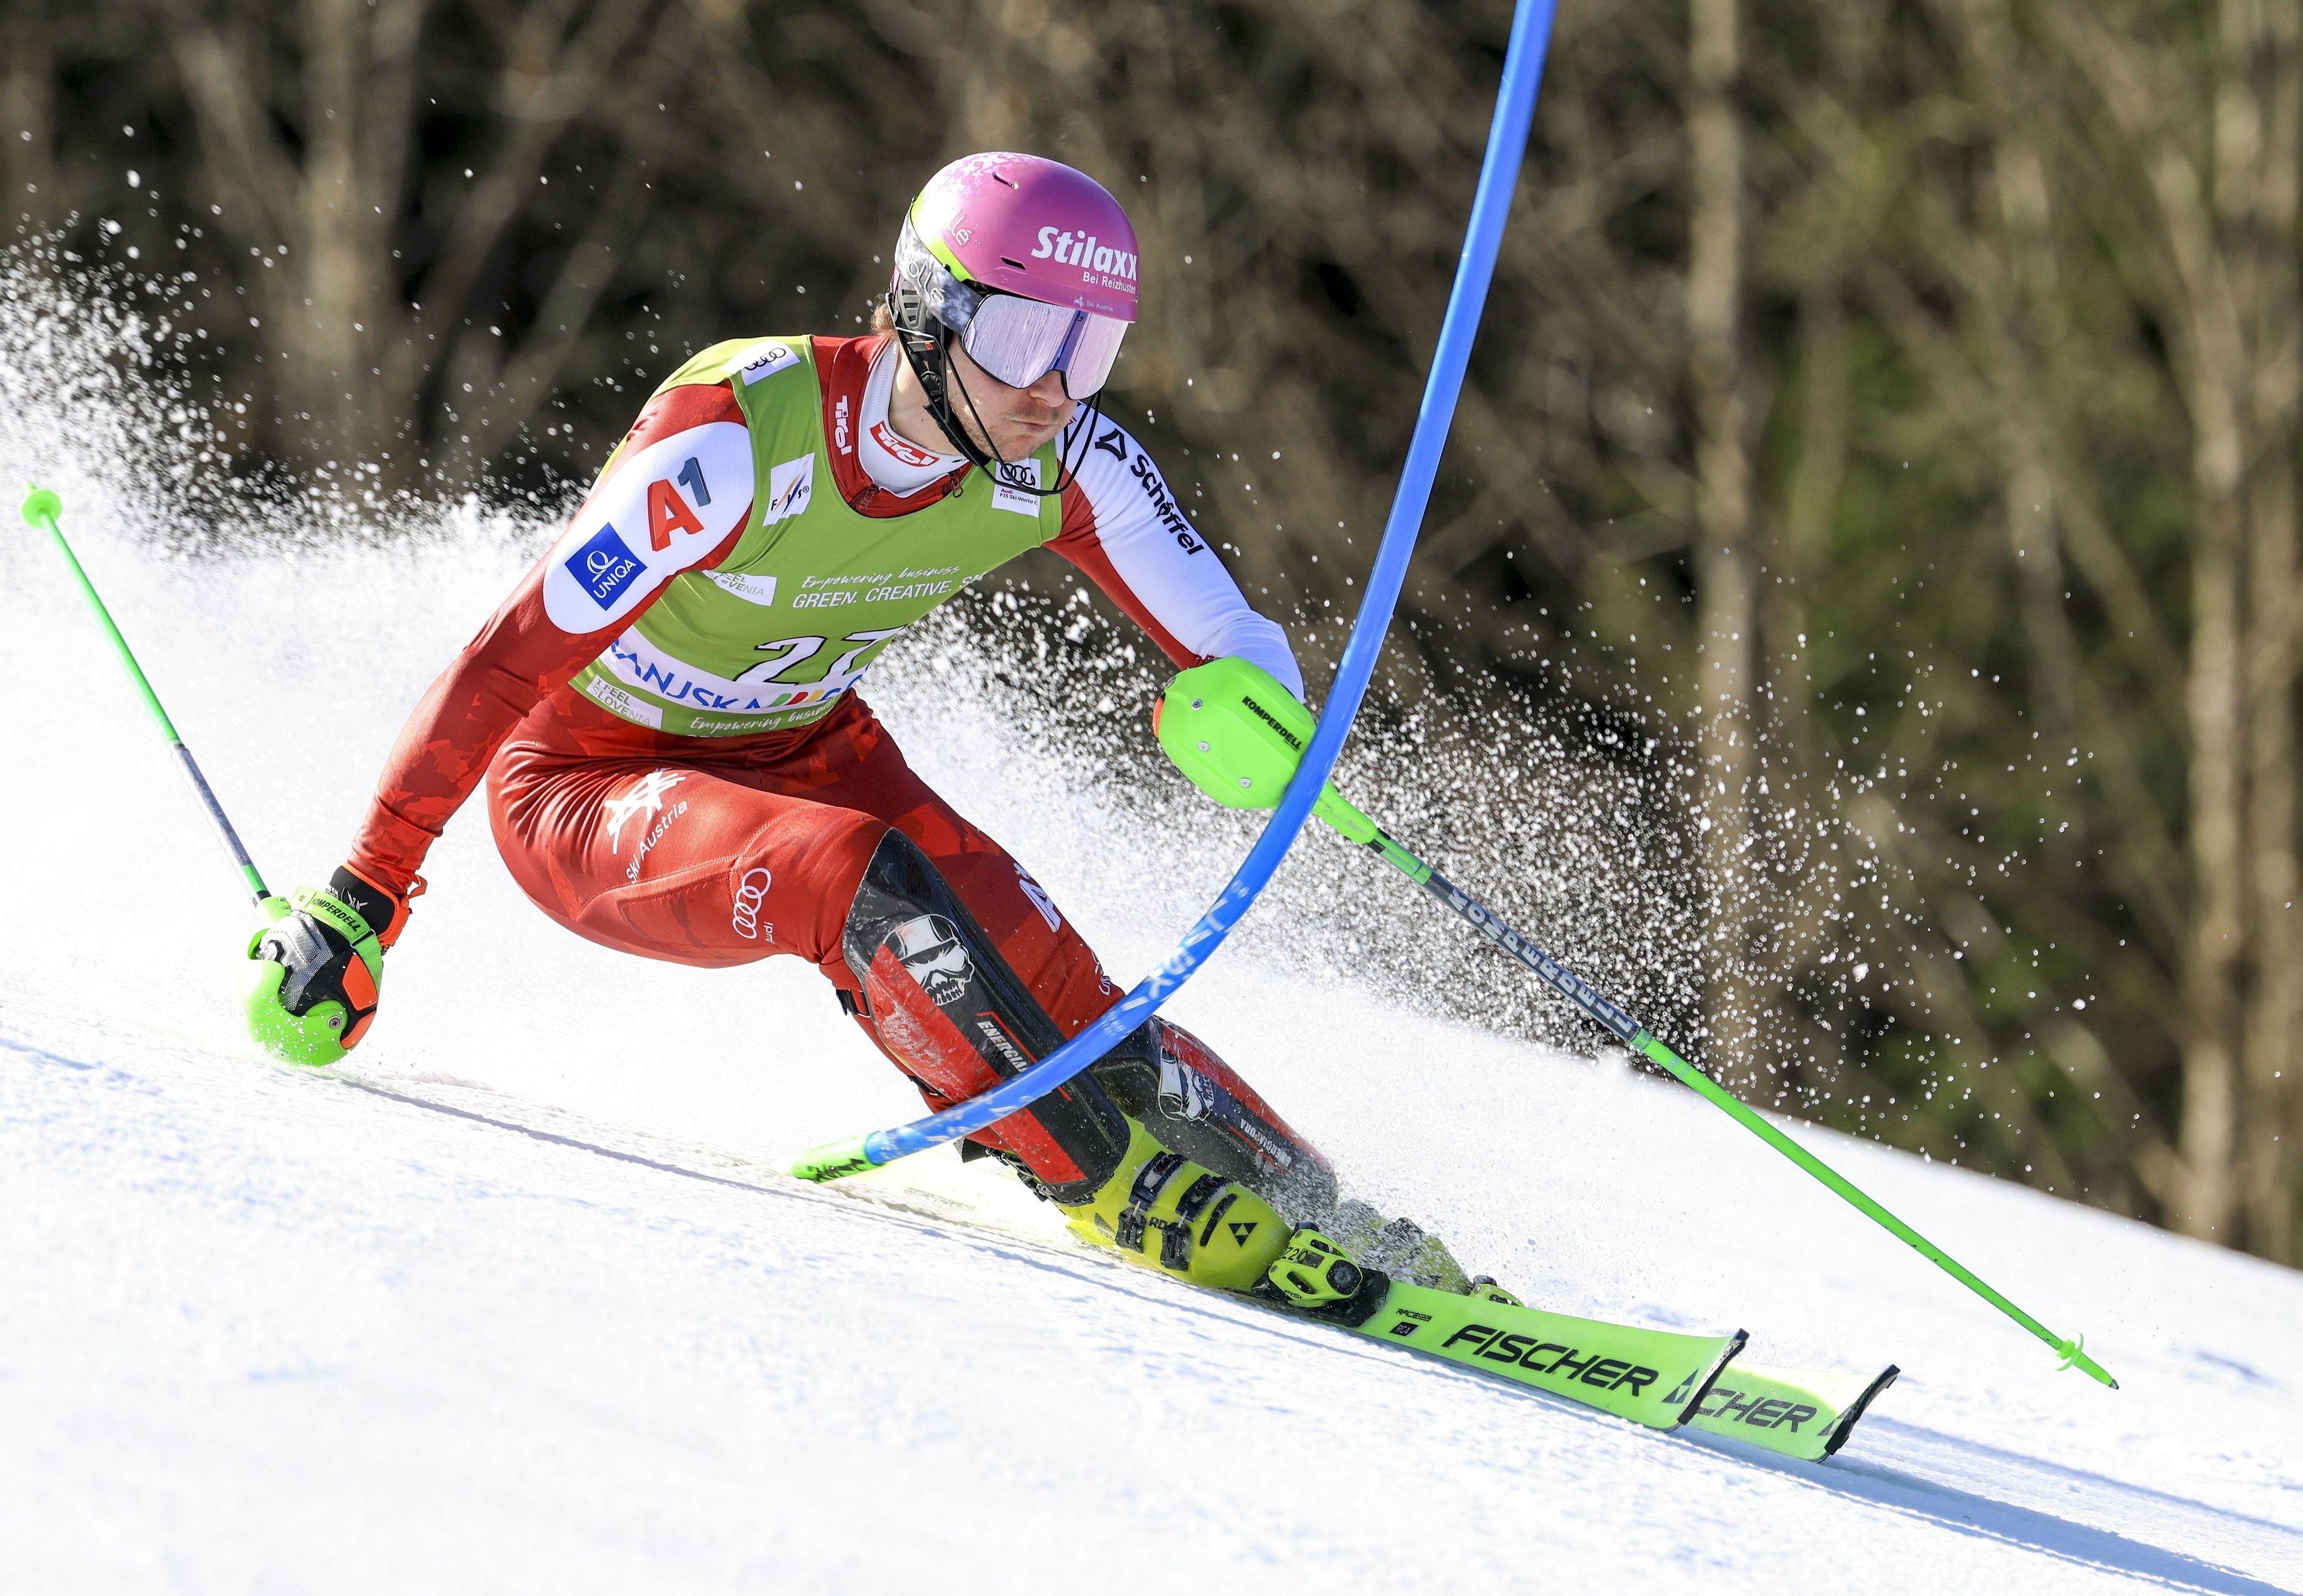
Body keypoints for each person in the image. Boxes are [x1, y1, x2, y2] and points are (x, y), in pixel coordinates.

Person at [245, 152, 1498, 1311]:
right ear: (925, 309)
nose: (1053, 391)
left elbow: (1232, 632)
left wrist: (1253, 715)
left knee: (1079, 1006)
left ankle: (1340, 1224)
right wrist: (364, 898)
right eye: (1018, 338)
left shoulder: (1063, 459)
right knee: (857, 881)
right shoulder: (733, 444)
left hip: (808, 747)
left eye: (1092, 349)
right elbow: (504, 660)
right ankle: (1109, 1188)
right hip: (588, 782)